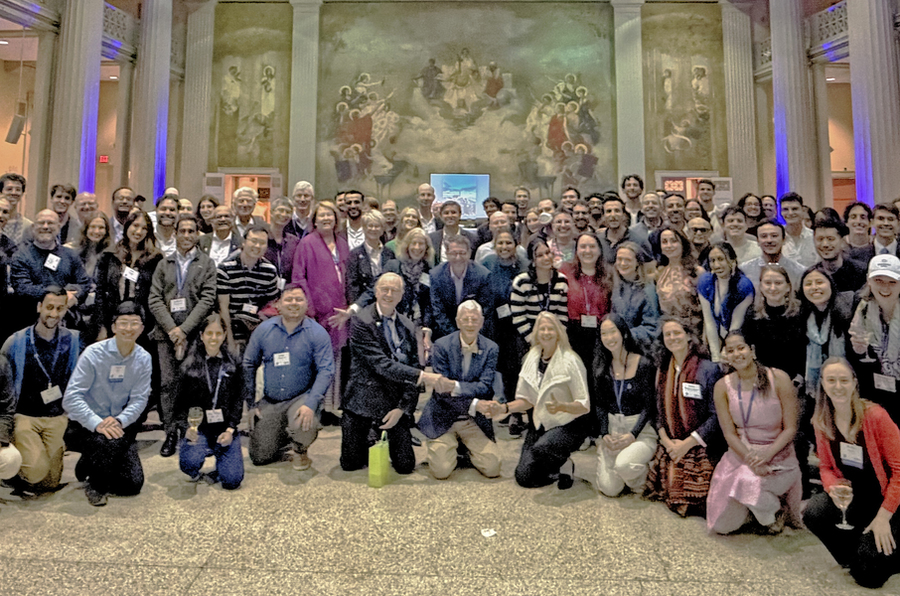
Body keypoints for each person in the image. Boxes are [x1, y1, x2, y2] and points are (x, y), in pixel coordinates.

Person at [803, 357, 900, 589]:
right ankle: (858, 554)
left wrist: (883, 517)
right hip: (858, 498)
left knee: (869, 578)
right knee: (813, 513)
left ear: (854, 382)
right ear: (823, 385)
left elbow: (899, 471)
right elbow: (825, 467)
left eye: (844, 380)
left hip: (891, 502)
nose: (838, 386)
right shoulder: (822, 421)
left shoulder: (876, 417)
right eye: (831, 380)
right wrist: (832, 487)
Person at [341, 273, 451, 474]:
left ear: (401, 295)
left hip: (393, 401)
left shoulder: (408, 326)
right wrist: (426, 376)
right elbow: (381, 365)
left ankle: (380, 433)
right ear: (376, 292)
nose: (389, 294)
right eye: (384, 289)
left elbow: (414, 367)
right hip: (364, 399)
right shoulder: (361, 322)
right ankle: (369, 434)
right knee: (351, 464)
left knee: (405, 465)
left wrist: (402, 408)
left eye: (394, 290)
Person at [707, 331, 801, 534]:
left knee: (745, 484)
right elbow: (729, 434)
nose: (737, 354)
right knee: (722, 526)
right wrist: (750, 459)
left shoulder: (779, 378)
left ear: (752, 350)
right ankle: (754, 509)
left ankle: (774, 514)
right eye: (730, 350)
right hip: (742, 454)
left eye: (741, 348)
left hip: (777, 456)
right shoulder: (722, 387)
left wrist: (766, 456)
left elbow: (791, 428)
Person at [62, 301, 151, 506]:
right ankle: (96, 484)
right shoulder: (93, 354)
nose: (129, 329)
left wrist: (120, 420)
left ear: (142, 328)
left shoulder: (144, 358)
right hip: (87, 425)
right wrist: (97, 423)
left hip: (119, 424)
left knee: (132, 485)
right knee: (104, 443)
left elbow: (139, 399)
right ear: (113, 327)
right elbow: (71, 398)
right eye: (123, 323)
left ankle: (89, 463)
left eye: (134, 323)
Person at [148, 214, 218, 457]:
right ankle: (170, 432)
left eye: (191, 231)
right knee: (168, 385)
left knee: (194, 385)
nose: (187, 235)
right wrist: (172, 330)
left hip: (195, 333)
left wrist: (185, 329)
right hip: (165, 335)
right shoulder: (163, 264)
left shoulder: (206, 263)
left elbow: (208, 299)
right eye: (182, 231)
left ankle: (192, 431)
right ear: (175, 233)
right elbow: (154, 298)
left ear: (197, 234)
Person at [243, 285, 335, 470]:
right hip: (271, 400)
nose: (294, 303)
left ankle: (301, 450)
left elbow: (326, 370)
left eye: (299, 299)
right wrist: (251, 404)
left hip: (301, 397)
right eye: (289, 299)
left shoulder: (317, 333)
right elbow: (248, 364)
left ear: (306, 304)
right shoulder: (263, 330)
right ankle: (283, 437)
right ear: (278, 305)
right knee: (260, 457)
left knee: (302, 424)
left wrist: (311, 404)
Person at [1, 287, 80, 495]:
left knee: (50, 483)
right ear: (39, 307)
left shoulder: (72, 341)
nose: (54, 314)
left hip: (56, 417)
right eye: (49, 307)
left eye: (60, 308)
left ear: (65, 310)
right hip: (25, 416)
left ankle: (40, 458)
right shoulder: (16, 342)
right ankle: (13, 474)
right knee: (36, 473)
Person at [501, 311, 591, 489]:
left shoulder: (571, 360)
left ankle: (564, 463)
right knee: (524, 477)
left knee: (542, 448)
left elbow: (584, 405)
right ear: (536, 333)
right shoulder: (530, 359)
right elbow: (526, 400)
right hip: (541, 422)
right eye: (542, 329)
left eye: (551, 328)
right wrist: (504, 408)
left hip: (569, 424)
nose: (546, 332)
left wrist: (562, 406)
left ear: (558, 332)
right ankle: (556, 466)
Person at [645, 317, 722, 517]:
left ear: (688, 336)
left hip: (701, 444)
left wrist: (687, 444)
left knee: (696, 497)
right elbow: (656, 411)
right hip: (671, 442)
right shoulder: (661, 369)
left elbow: (716, 416)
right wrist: (667, 442)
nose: (672, 338)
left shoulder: (708, 369)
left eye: (677, 333)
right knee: (671, 483)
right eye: (667, 334)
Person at [418, 300, 501, 479]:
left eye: (474, 319)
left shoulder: (491, 348)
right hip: (443, 415)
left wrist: (455, 386)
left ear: (482, 322)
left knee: (493, 468)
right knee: (441, 471)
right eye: (465, 319)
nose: (470, 324)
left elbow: (485, 385)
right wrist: (475, 403)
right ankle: (444, 446)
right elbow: (442, 392)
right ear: (457, 322)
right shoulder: (441, 346)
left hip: (472, 420)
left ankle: (462, 448)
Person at [291, 201, 349, 417]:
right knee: (317, 360)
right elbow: (298, 277)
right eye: (321, 215)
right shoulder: (307, 243)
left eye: (330, 215)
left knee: (336, 360)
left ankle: (331, 407)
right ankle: (315, 406)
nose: (326, 219)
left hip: (341, 313)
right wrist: (309, 310)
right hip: (317, 313)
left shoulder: (342, 242)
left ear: (336, 219)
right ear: (314, 220)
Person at [175, 314, 243, 489]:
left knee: (232, 481)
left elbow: (237, 400)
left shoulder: (234, 364)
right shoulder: (187, 366)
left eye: (218, 333)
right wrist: (186, 428)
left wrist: (230, 429)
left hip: (224, 428)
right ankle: (197, 462)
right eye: (209, 333)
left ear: (224, 334)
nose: (214, 338)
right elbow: (178, 405)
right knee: (190, 462)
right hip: (199, 428)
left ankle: (221, 459)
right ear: (201, 335)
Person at [592, 314, 657, 497]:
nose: (609, 338)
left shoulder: (643, 363)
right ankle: (624, 472)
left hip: (640, 430)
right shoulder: (602, 366)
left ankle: (641, 478)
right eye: (604, 333)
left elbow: (649, 406)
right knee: (609, 489)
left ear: (623, 334)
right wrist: (604, 434)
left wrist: (633, 434)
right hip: (614, 430)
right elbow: (600, 405)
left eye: (613, 332)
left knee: (624, 465)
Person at [93, 211, 162, 344]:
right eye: (135, 225)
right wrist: (100, 326)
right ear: (127, 226)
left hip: (143, 324)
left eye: (144, 228)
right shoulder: (109, 255)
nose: (138, 231)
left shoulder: (156, 258)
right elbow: (100, 293)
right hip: (112, 321)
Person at [11, 209, 91, 322]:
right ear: (33, 227)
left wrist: (75, 296)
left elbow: (85, 283)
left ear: (58, 227)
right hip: (30, 320)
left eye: (50, 223)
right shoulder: (21, 256)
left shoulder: (70, 255)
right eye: (41, 222)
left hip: (67, 321)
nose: (45, 226)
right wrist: (60, 294)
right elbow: (23, 288)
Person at [848, 254, 900, 425]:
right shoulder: (861, 308)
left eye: (892, 282)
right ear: (868, 281)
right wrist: (859, 352)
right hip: (875, 392)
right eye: (879, 280)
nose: (885, 287)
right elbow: (859, 363)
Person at [216, 223, 280, 355]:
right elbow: (223, 308)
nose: (257, 246)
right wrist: (230, 341)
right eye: (253, 241)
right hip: (232, 328)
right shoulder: (225, 268)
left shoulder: (270, 271)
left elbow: (272, 304)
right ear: (244, 242)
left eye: (262, 243)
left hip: (258, 329)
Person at [481, 229, 527, 408]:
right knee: (501, 366)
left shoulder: (524, 265)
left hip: (519, 324)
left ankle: (517, 407)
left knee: (516, 366)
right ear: (494, 246)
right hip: (496, 324)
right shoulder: (487, 263)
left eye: (508, 243)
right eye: (500, 243)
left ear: (515, 245)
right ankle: (506, 405)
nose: (504, 247)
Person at [742, 264, 806, 386]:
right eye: (767, 283)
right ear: (760, 286)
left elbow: (805, 349)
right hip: (764, 380)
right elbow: (748, 346)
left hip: (795, 381)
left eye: (778, 283)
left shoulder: (801, 312)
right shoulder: (752, 314)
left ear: (788, 287)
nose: (772, 288)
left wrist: (799, 377)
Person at [559, 232, 610, 369]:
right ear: (576, 251)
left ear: (599, 251)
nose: (587, 251)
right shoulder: (565, 271)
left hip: (600, 335)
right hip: (572, 333)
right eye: (583, 246)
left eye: (592, 246)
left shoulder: (609, 275)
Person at [698, 242, 754, 362]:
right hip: (716, 337)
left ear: (733, 260)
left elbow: (736, 326)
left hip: (741, 338)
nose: (716, 264)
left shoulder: (744, 286)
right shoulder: (705, 282)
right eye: (712, 260)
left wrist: (726, 351)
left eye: (721, 259)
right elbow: (709, 321)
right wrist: (715, 356)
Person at [429, 234, 492, 340]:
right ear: (447, 254)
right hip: (445, 333)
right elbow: (438, 311)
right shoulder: (435, 275)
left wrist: (469, 333)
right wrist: (455, 336)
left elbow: (485, 309)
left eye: (462, 253)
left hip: (475, 330)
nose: (458, 257)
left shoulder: (483, 275)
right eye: (454, 253)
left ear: (469, 253)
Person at [609, 242, 659, 355]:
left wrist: (624, 334)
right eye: (619, 259)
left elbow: (652, 327)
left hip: (642, 351)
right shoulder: (616, 286)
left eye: (628, 260)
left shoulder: (647, 289)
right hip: (618, 349)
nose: (623, 263)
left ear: (637, 263)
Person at [382, 228, 434, 333]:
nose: (417, 247)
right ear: (407, 246)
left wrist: (426, 326)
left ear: (426, 248)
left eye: (421, 244)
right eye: (413, 243)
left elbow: (428, 303)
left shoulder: (428, 270)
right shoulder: (394, 266)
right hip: (393, 322)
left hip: (418, 326)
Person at [655, 227, 703, 337]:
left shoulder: (697, 272)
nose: (669, 245)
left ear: (683, 244)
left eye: (673, 241)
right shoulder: (660, 273)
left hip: (695, 332)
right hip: (670, 333)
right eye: (664, 242)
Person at [346, 210, 395, 307]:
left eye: (377, 226)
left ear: (382, 229)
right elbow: (352, 287)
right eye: (370, 226)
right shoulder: (354, 255)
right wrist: (356, 308)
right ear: (363, 228)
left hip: (387, 303)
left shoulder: (389, 253)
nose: (373, 229)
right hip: (363, 306)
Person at [740, 221, 805, 292]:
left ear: (784, 239)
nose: (769, 240)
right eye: (764, 236)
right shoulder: (744, 270)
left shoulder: (799, 271)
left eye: (774, 236)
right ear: (758, 241)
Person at [813, 215, 867, 294]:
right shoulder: (811, 274)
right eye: (820, 239)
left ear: (842, 241)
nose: (825, 244)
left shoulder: (860, 272)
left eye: (830, 239)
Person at [265, 197, 300, 286]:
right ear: (271, 212)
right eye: (280, 210)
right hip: (263, 289)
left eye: (288, 212)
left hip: (287, 291)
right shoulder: (261, 237)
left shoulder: (294, 241)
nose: (284, 214)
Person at [780, 192, 816, 268]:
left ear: (803, 210)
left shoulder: (814, 237)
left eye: (794, 209)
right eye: (785, 209)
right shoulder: (777, 239)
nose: (790, 213)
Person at [0, 172, 32, 244]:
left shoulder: (28, 226)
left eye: (18, 189)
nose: (14, 193)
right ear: (1, 192)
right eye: (9, 189)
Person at [843, 201, 873, 266]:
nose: (858, 221)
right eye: (853, 217)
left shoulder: (876, 246)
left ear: (870, 223)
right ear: (846, 222)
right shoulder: (839, 247)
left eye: (863, 217)